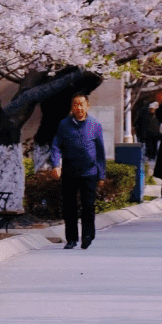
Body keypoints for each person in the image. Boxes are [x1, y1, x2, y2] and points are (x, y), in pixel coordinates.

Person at [48, 91, 107, 250]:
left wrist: (101, 174)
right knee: (69, 207)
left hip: (89, 172)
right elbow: (55, 146)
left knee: (88, 206)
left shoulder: (95, 125)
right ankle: (71, 239)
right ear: (72, 107)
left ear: (87, 106)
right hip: (69, 172)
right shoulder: (63, 125)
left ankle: (88, 235)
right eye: (75, 104)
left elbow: (101, 152)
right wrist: (56, 165)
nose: (79, 107)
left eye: (82, 104)